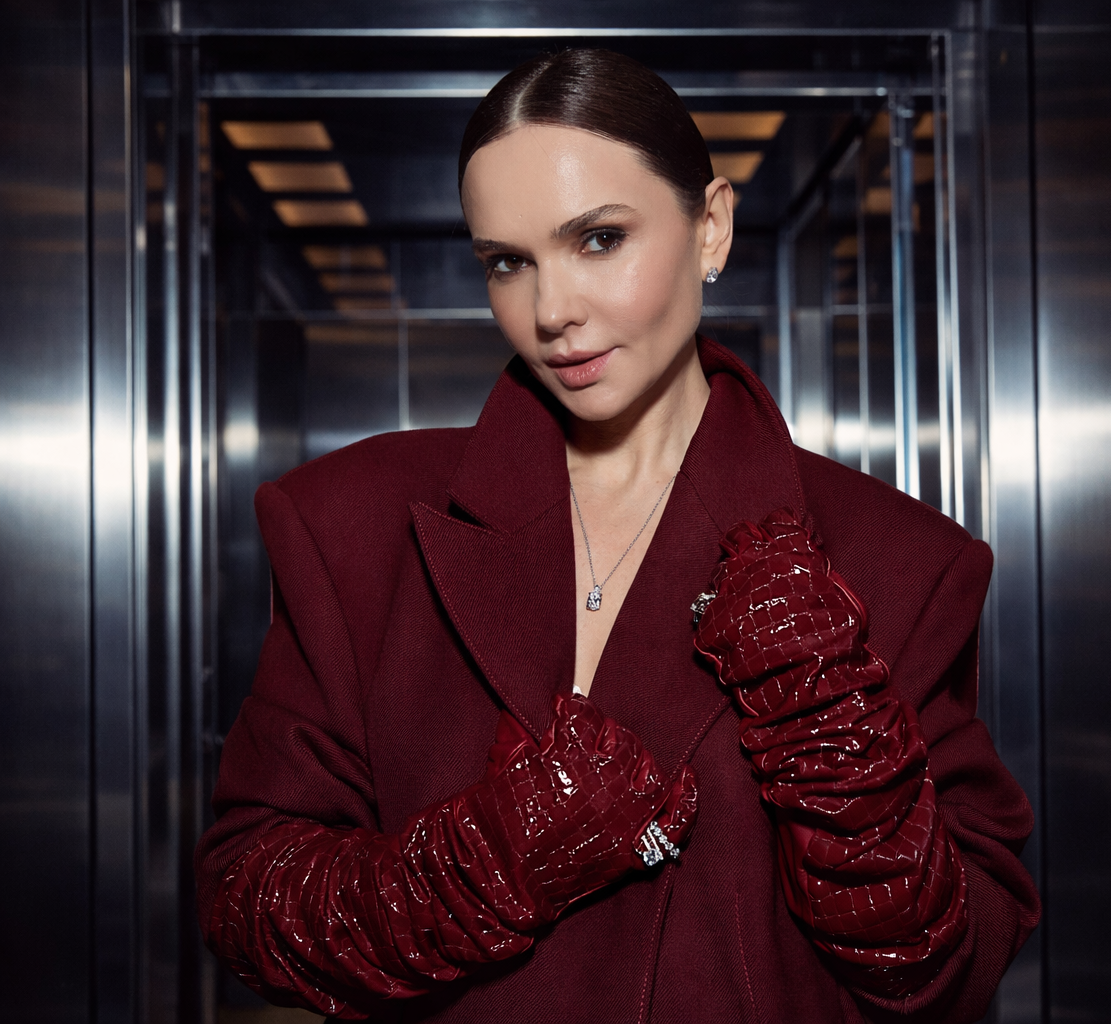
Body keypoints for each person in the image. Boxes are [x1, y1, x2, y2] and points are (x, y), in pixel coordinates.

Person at [194, 48, 1039, 1023]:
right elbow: (244, 901)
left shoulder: (897, 560)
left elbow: (954, 969)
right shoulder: (351, 524)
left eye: (598, 239)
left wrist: (833, 738)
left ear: (710, 226)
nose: (551, 311)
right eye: (508, 262)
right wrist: (485, 863)